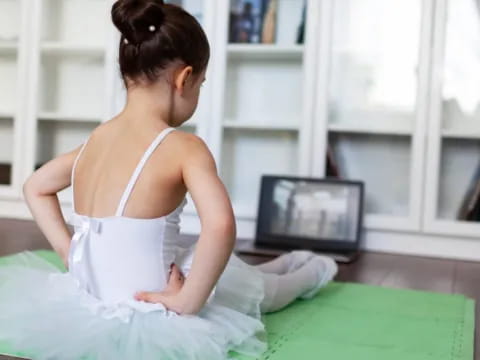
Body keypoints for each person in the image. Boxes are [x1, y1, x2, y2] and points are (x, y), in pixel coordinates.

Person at [0, 1, 338, 359]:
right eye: (201, 84)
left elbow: (35, 186)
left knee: (233, 275)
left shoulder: (97, 139)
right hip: (155, 301)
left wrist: (70, 254)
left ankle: (293, 262)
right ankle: (315, 268)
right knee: (263, 293)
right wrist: (189, 300)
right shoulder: (183, 147)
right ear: (184, 78)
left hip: (92, 297)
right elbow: (220, 225)